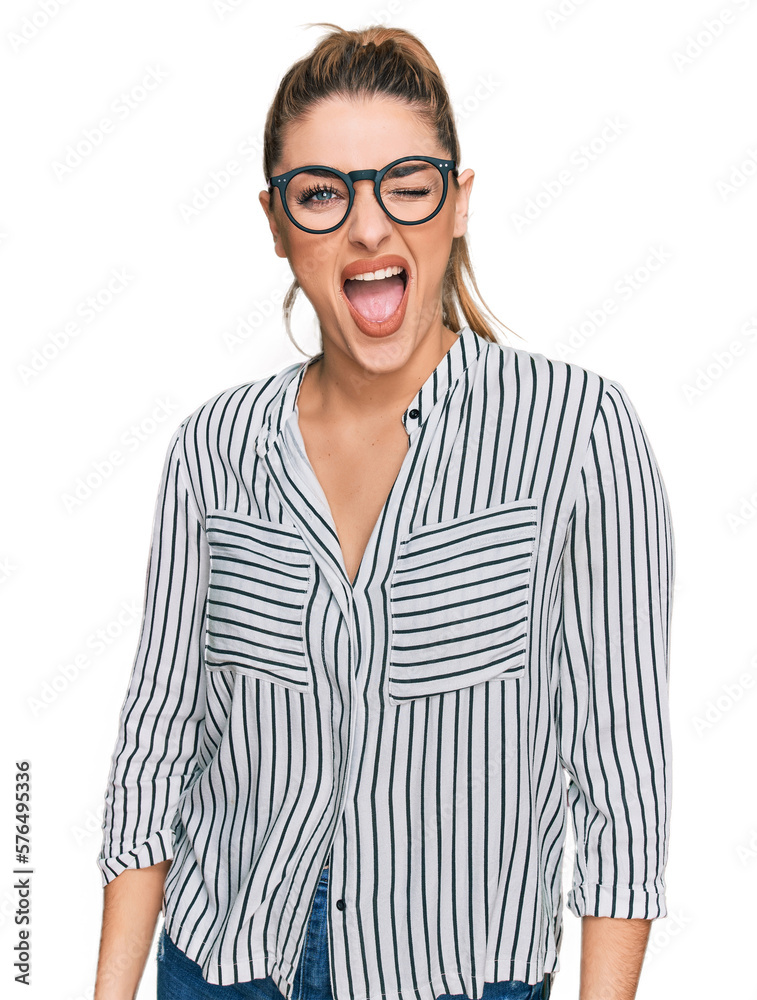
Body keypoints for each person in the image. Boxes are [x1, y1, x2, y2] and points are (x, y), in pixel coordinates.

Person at [93, 23, 675, 1000]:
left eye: (406, 183)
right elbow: (156, 747)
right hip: (222, 970)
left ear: (457, 204)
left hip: (457, 978)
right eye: (323, 194)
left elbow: (620, 787)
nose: (368, 228)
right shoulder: (212, 450)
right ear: (278, 225)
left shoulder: (579, 433)